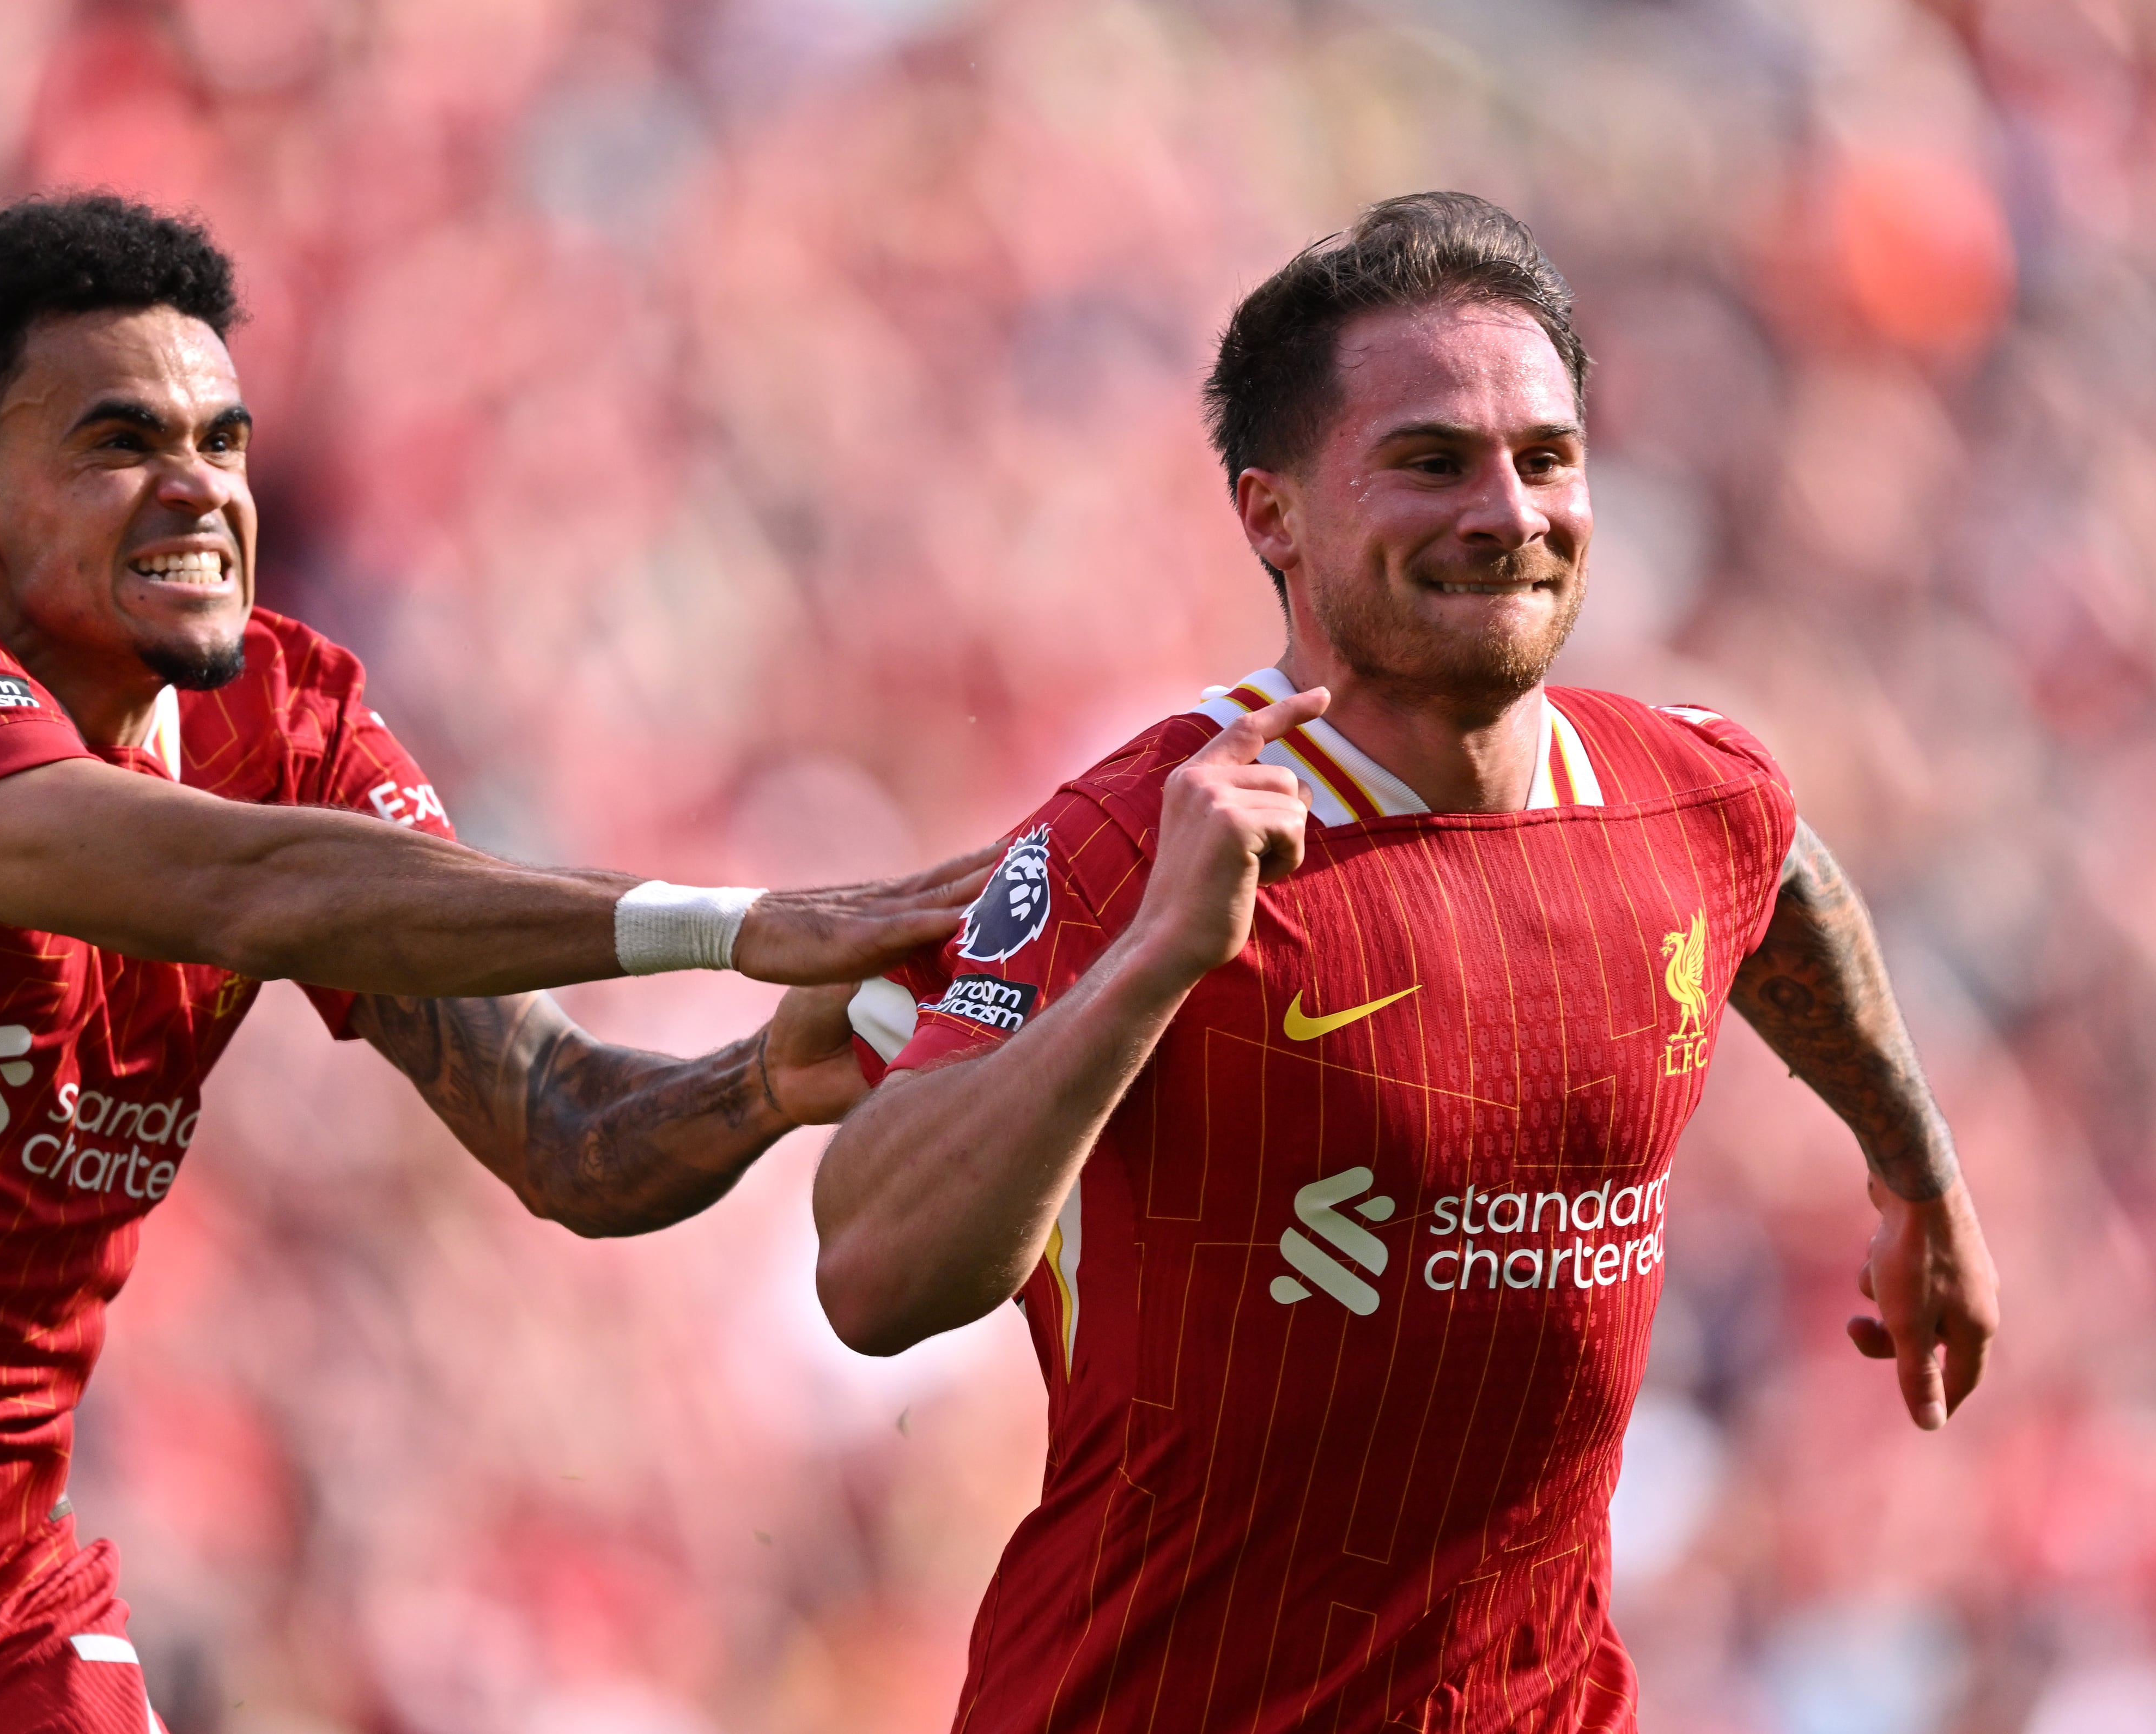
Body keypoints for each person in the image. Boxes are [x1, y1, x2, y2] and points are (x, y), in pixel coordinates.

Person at [0, 195, 980, 1733]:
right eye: (122, 445)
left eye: (225, 442)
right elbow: (241, 894)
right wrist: (726, 922)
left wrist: (764, 1082)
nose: (199, 492)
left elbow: (564, 1133)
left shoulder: (292, 733)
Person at [817, 192, 2001, 1732]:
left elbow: (1779, 874)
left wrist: (1918, 1171)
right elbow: (874, 1274)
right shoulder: (1136, 840)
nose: (1508, 511)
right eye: (1432, 461)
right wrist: (1158, 964)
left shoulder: (1682, 792)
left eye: (1547, 458)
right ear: (1273, 515)